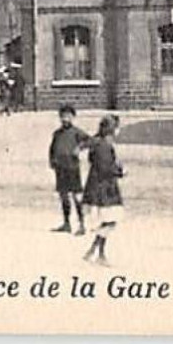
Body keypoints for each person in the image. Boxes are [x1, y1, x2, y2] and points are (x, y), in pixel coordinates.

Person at [81, 115, 125, 266]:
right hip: (104, 188)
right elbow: (105, 168)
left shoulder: (98, 144)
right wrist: (120, 172)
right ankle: (98, 252)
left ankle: (94, 251)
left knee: (109, 220)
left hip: (99, 186)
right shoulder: (104, 146)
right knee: (110, 219)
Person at [48, 104, 89, 234]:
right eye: (63, 116)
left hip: (72, 168)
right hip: (60, 168)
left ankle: (82, 224)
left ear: (73, 117)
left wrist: (80, 148)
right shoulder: (57, 134)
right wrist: (52, 161)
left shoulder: (77, 132)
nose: (65, 119)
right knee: (63, 196)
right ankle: (67, 223)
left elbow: (89, 141)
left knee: (76, 196)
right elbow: (52, 149)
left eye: (68, 116)